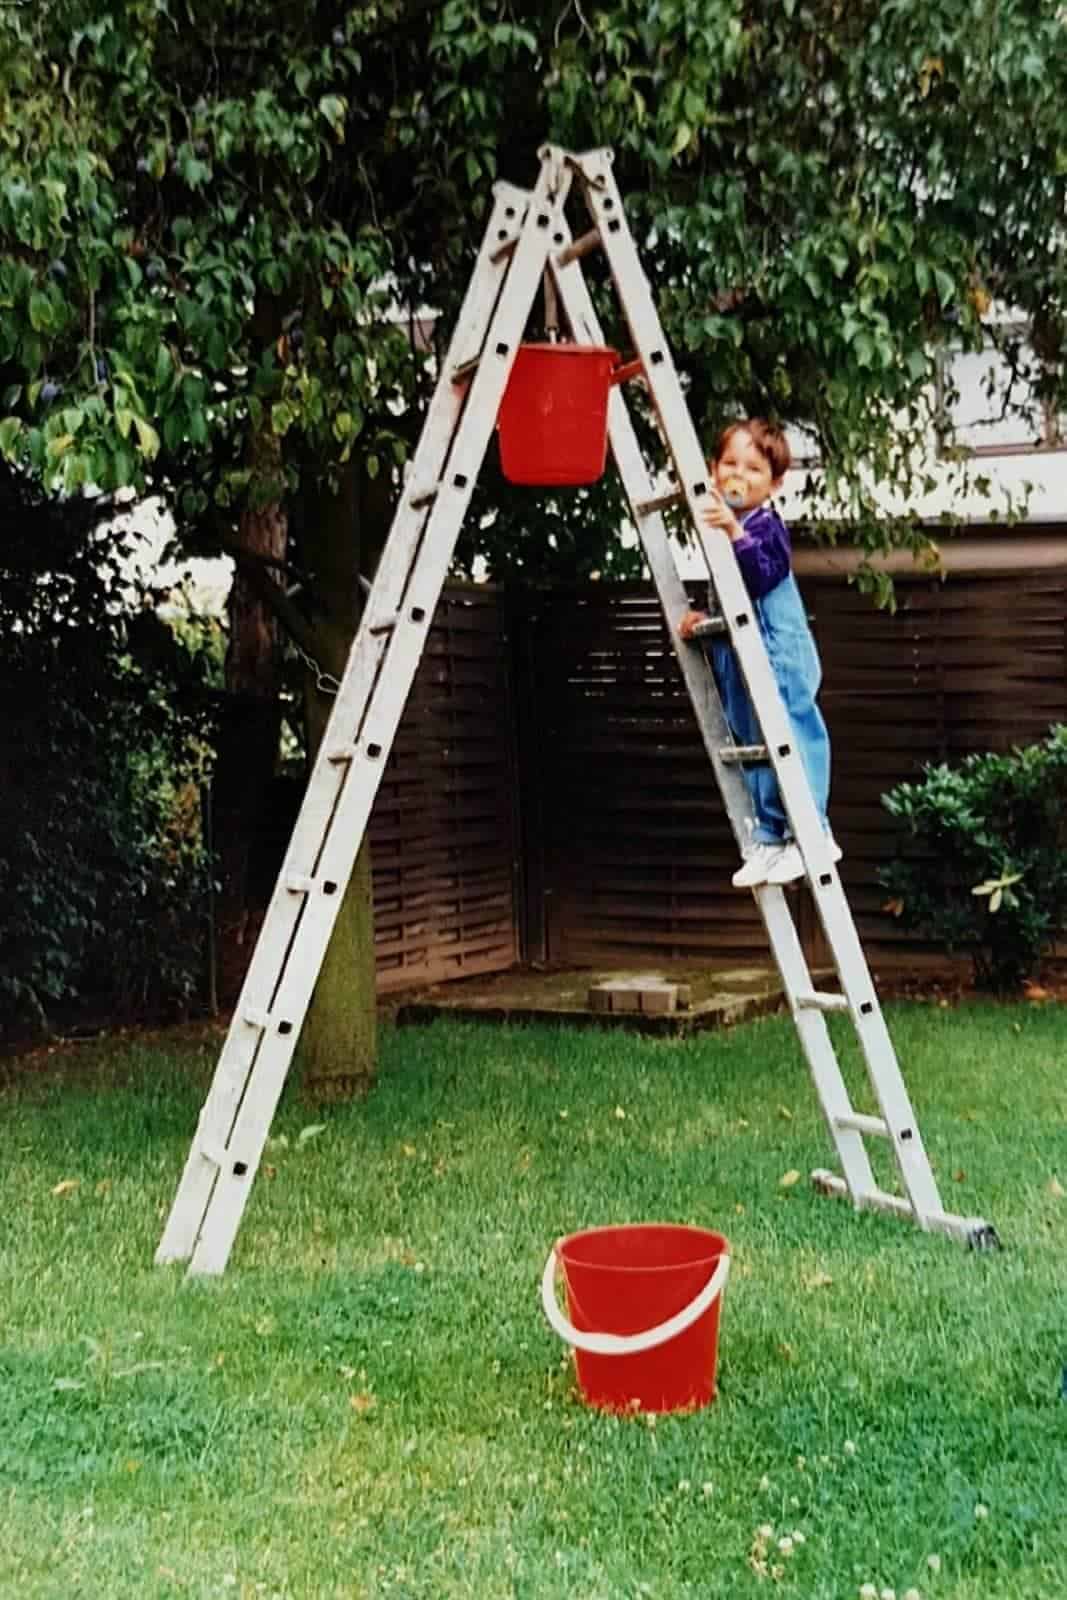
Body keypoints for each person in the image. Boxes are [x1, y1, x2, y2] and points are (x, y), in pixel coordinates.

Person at [677, 418, 840, 888]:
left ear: (775, 483)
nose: (739, 476)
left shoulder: (765, 526)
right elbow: (731, 598)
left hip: (779, 653)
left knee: (792, 734)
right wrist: (701, 623)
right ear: (712, 470)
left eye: (753, 469)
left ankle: (812, 832)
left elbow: (764, 575)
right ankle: (771, 835)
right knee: (755, 744)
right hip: (744, 661)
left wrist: (734, 531)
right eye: (730, 464)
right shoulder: (718, 531)